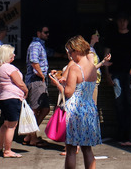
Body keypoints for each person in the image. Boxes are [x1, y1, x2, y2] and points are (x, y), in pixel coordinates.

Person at [51, 36, 101, 169]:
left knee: (71, 150)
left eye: (70, 51)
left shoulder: (74, 68)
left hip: (75, 110)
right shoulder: (92, 67)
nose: (70, 55)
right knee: (87, 149)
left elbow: (68, 92)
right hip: (89, 109)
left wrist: (57, 84)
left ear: (77, 50)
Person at [102, 13, 131, 144]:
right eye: (120, 20)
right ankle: (121, 134)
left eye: (125, 20)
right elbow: (106, 55)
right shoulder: (112, 36)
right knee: (119, 103)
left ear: (128, 22)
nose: (123, 23)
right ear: (117, 22)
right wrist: (107, 74)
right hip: (116, 72)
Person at [0, 44, 28, 158]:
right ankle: (7, 150)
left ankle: (0, 146)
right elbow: (19, 83)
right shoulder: (9, 67)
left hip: (3, 98)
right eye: (11, 53)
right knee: (12, 125)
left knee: (5, 123)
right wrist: (26, 90)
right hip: (12, 98)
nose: (14, 55)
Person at [23, 26, 51, 147]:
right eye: (45, 32)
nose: (47, 34)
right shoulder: (35, 45)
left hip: (40, 81)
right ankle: (32, 138)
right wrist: (41, 75)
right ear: (38, 33)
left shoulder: (41, 45)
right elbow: (34, 62)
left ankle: (30, 134)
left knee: (45, 109)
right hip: (36, 80)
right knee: (35, 109)